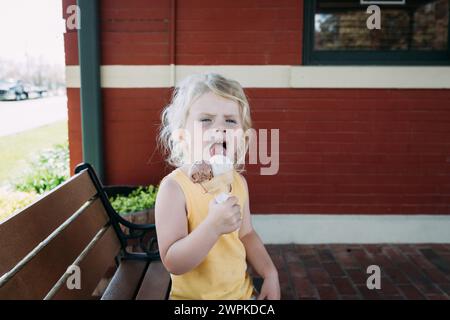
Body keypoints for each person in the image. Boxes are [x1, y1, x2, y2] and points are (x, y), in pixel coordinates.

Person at [155, 73, 280, 300]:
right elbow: (173, 261)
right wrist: (212, 227)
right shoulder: (174, 189)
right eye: (206, 120)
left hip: (242, 295)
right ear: (182, 137)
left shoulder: (238, 182)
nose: (220, 128)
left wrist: (270, 273)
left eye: (230, 121)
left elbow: (247, 234)